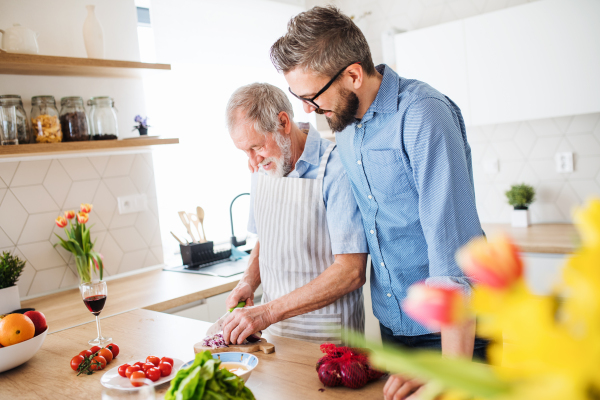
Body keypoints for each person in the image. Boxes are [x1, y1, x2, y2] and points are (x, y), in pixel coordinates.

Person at [267, 6, 488, 400]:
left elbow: (452, 252)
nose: (307, 110)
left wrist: (450, 369)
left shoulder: (423, 116)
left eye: (312, 97)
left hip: (453, 335)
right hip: (394, 328)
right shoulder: (346, 128)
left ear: (353, 75)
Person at [221, 82, 368, 346]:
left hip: (330, 339)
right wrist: (248, 282)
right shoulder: (263, 167)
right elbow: (266, 238)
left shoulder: (337, 168)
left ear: (283, 122)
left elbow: (350, 271)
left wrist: (266, 312)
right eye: (245, 151)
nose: (252, 162)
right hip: (273, 335)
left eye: (256, 147)